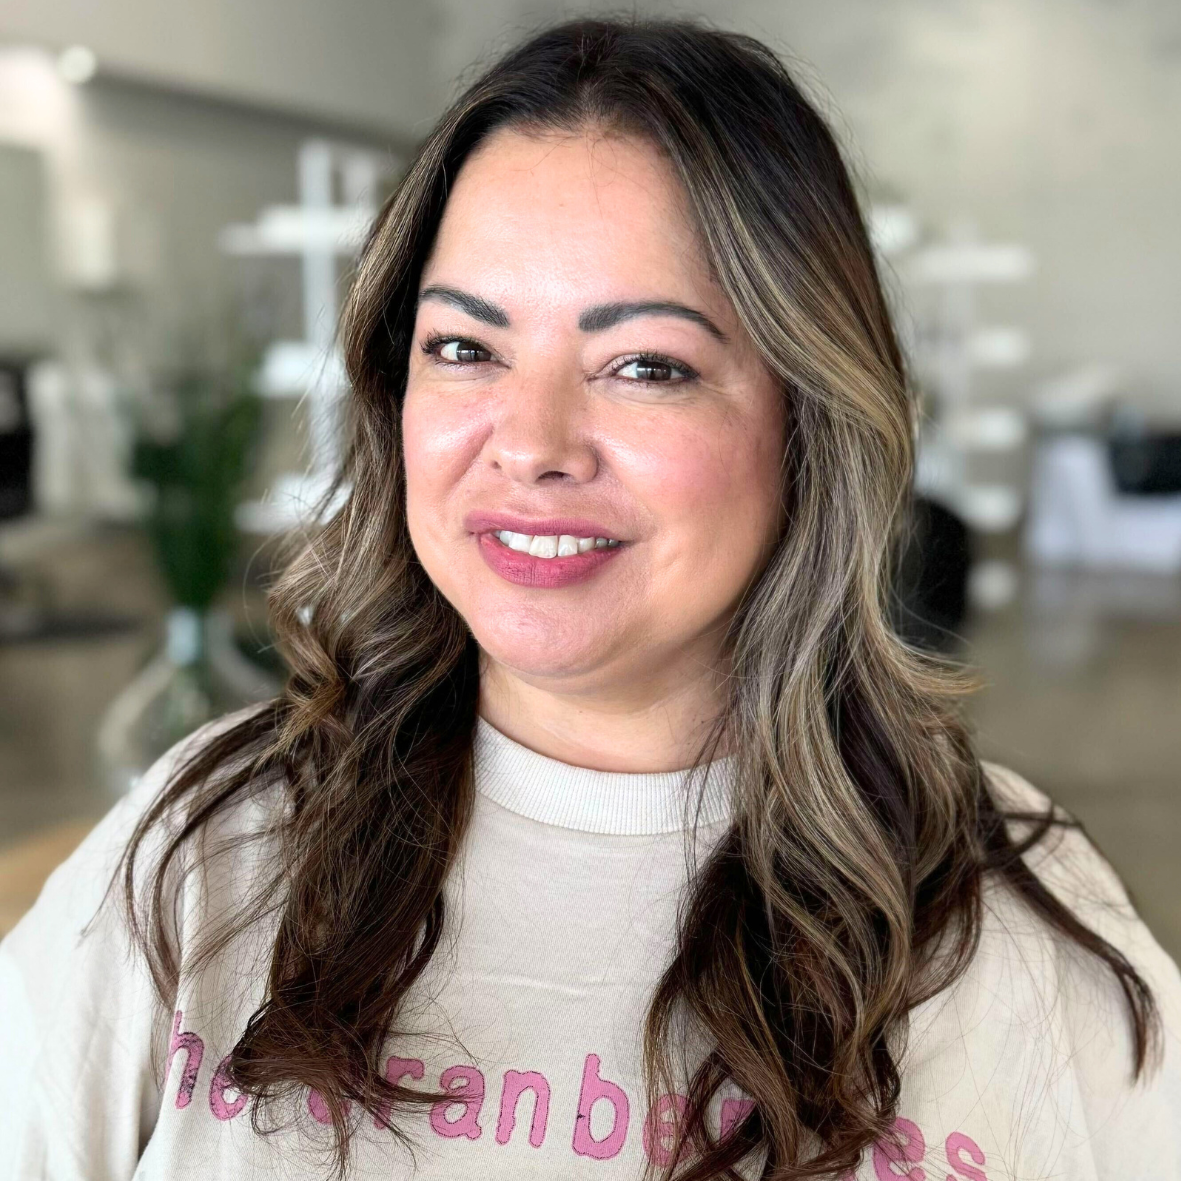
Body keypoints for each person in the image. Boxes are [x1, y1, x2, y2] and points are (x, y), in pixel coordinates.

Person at [2, 17, 1179, 1181]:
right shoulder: (203, 859)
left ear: (805, 420)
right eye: (464, 346)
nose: (533, 442)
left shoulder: (1018, 920)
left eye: (646, 365)